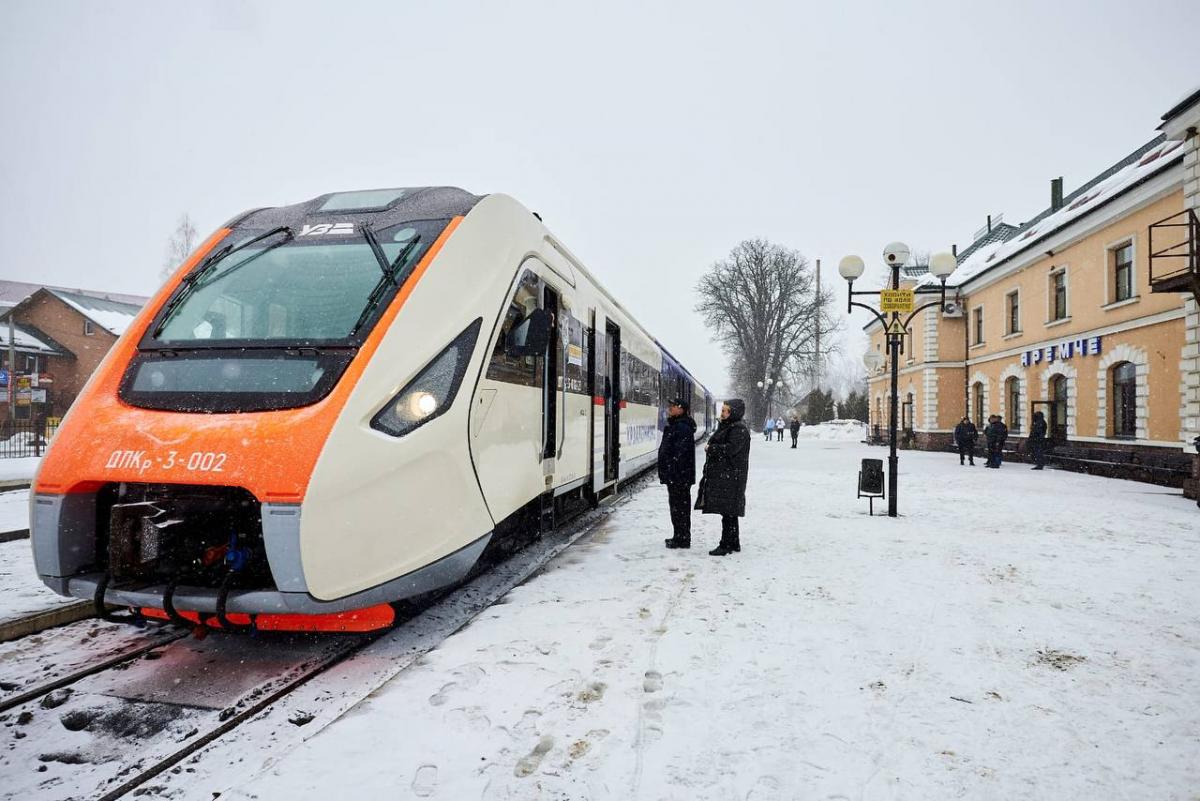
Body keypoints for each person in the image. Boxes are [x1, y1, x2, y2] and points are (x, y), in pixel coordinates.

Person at [696, 399, 751, 556]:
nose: (722, 413)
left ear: (733, 412)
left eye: (724, 410)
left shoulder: (738, 429)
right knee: (729, 512)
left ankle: (726, 544)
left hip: (731, 476)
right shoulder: (731, 426)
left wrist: (711, 448)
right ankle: (733, 542)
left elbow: (731, 449)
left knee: (728, 511)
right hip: (728, 475)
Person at [659, 398, 697, 548]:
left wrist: (671, 471)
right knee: (679, 507)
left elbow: (680, 454)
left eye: (673, 406)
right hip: (678, 475)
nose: (670, 408)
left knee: (679, 508)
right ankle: (679, 536)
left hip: (679, 476)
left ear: (681, 409)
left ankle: (682, 538)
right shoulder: (678, 425)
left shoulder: (681, 427)